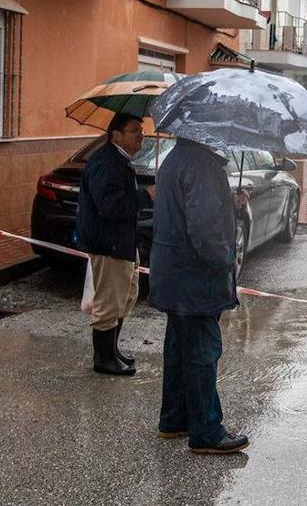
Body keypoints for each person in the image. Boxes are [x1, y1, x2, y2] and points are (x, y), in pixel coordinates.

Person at [149, 137, 250, 455]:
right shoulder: (203, 165)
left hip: (176, 277)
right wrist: (225, 261)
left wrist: (230, 204)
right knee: (203, 353)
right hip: (195, 281)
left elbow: (191, 211)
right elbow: (204, 230)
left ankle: (174, 419)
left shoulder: (176, 158)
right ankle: (207, 431)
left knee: (179, 350)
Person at [77, 112, 151, 377]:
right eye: (135, 131)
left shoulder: (121, 160)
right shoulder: (106, 163)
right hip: (109, 244)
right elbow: (110, 206)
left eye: (142, 131)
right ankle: (104, 358)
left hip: (122, 241)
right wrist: (145, 196)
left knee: (125, 295)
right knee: (109, 302)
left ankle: (112, 350)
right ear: (116, 135)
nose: (141, 136)